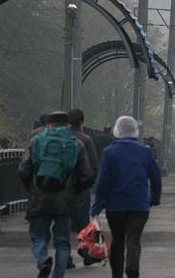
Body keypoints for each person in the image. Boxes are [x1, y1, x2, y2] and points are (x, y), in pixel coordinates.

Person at [19, 111, 94, 278]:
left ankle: (43, 260)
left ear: (48, 125)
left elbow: (23, 170)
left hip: (38, 198)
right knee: (62, 242)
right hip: (64, 201)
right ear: (68, 125)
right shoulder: (76, 144)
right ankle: (58, 275)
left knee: (38, 236)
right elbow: (88, 175)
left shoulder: (36, 141)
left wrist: (31, 187)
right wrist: (74, 190)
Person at [91, 116, 162, 278]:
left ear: (117, 132)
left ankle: (117, 274)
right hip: (139, 205)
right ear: (135, 132)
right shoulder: (145, 151)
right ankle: (132, 268)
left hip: (115, 206)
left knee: (118, 239)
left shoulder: (109, 152)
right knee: (134, 238)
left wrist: (97, 205)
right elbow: (156, 177)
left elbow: (103, 181)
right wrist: (155, 198)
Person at [67, 109, 99, 267]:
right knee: (83, 223)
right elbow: (94, 166)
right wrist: (89, 185)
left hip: (60, 188)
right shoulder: (85, 140)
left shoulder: (60, 140)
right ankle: (87, 254)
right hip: (81, 187)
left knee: (63, 223)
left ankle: (65, 258)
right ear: (81, 122)